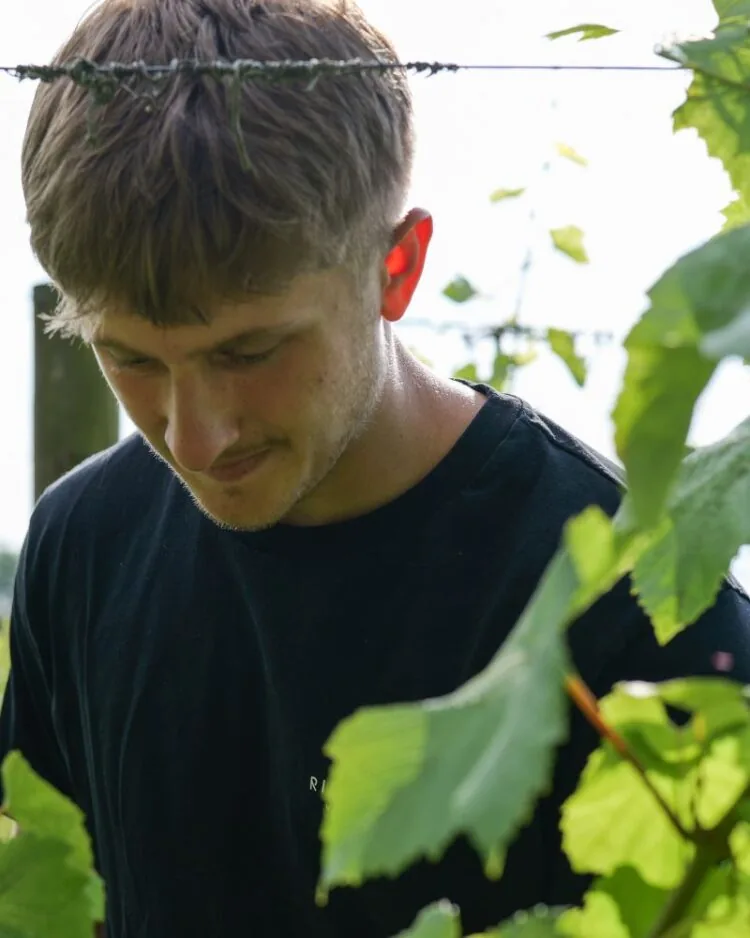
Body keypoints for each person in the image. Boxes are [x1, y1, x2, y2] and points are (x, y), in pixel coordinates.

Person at [2, 0, 749, 935]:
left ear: (397, 267)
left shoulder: (635, 615)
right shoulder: (82, 547)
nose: (193, 438)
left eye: (249, 353)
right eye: (134, 360)